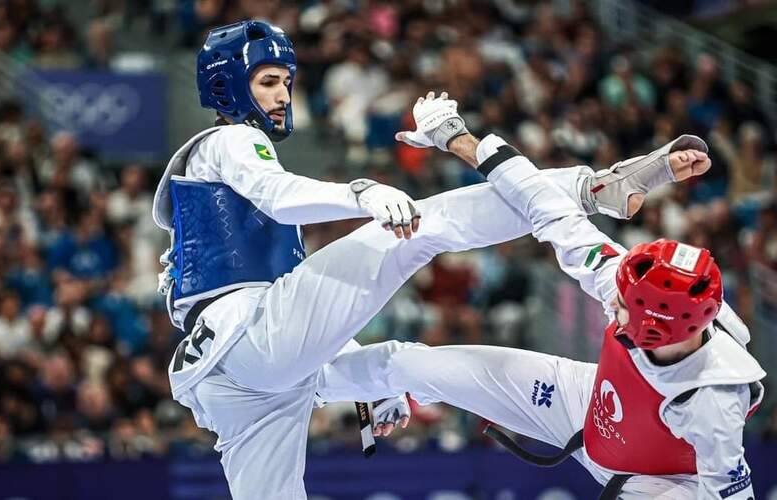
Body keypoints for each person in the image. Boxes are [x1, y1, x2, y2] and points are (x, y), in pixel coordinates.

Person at [154, 21, 577, 499]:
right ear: (227, 86)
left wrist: (367, 383)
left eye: (288, 83)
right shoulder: (230, 141)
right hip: (249, 338)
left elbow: (304, 315)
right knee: (417, 228)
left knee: (391, 366)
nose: (283, 96)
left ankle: (380, 383)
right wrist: (362, 191)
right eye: (268, 81)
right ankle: (575, 191)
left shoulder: (228, 181)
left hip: (231, 378)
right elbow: (278, 196)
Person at [317, 93, 766, 499]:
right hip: (587, 403)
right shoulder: (637, 287)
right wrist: (454, 135)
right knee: (409, 366)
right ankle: (299, 384)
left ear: (656, 324)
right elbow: (548, 211)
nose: (612, 301)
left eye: (623, 306)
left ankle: (608, 187)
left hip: (656, 484)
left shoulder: (712, 402)